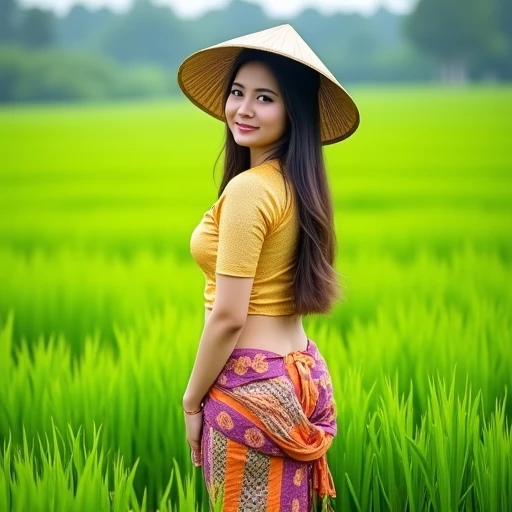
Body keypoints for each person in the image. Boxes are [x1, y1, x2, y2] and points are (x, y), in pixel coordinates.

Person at [177, 24, 360, 512]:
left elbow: (229, 315)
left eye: (265, 98)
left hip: (251, 386)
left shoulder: (250, 190)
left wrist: (191, 401)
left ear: (293, 110)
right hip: (302, 375)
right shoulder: (298, 184)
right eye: (238, 93)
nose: (244, 108)